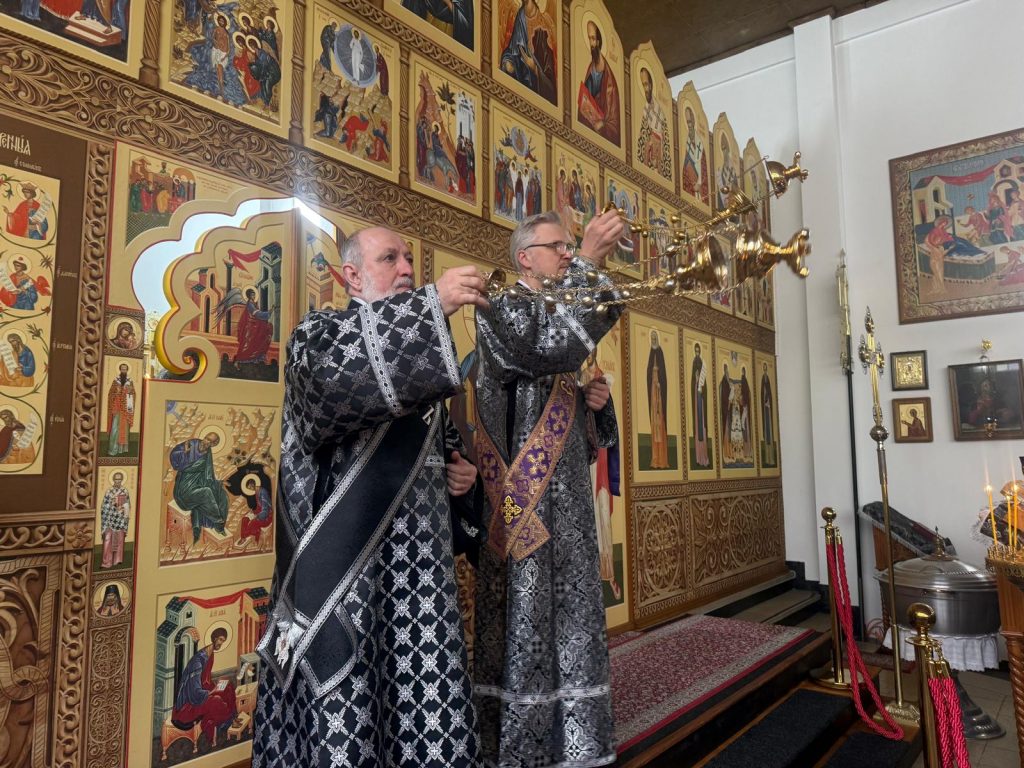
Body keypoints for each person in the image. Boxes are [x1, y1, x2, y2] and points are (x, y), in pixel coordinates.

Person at [252, 226, 488, 767]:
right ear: (352, 277)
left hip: (421, 579)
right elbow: (331, 394)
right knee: (351, 707)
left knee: (422, 706)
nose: (407, 268)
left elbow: (443, 447)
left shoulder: (423, 351)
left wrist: (462, 478)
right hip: (349, 574)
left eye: (409, 258)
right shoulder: (318, 337)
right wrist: (432, 305)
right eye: (390, 258)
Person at [473, 209, 625, 767]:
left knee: (573, 618)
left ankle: (578, 738)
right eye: (557, 246)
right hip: (524, 502)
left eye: (569, 247)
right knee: (528, 619)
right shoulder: (501, 305)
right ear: (524, 258)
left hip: (569, 503)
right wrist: (590, 261)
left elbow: (580, 432)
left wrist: (594, 407)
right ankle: (523, 745)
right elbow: (545, 350)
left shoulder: (559, 315)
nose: (566, 254)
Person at [172, 627, 237, 745]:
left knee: (228, 686)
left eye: (223, 641)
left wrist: (215, 688)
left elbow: (206, 681)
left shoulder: (209, 654)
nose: (221, 643)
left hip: (202, 694)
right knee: (216, 701)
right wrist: (213, 692)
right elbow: (195, 692)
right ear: (214, 638)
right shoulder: (197, 662)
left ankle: (231, 719)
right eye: (220, 639)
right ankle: (218, 726)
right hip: (188, 706)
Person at [169, 432, 229, 543]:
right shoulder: (192, 443)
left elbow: (208, 475)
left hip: (196, 485)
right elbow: (174, 458)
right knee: (206, 492)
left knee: (222, 495)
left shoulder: (207, 454)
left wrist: (219, 483)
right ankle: (219, 523)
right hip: (183, 490)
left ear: (213, 445)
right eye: (206, 438)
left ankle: (201, 528)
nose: (206, 442)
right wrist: (184, 453)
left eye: (210, 441)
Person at [576, 21, 620, 145]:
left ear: (599, 42)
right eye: (589, 39)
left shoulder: (609, 79)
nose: (591, 44)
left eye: (593, 39)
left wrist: (603, 125)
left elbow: (614, 122)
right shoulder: (591, 68)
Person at [100, 472, 131, 568]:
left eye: (120, 479)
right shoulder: (109, 491)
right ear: (113, 480)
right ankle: (106, 562)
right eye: (116, 479)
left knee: (120, 539)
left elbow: (128, 505)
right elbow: (104, 506)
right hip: (109, 519)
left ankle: (117, 560)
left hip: (120, 520)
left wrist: (124, 509)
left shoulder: (124, 491)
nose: (118, 481)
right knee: (108, 540)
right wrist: (111, 503)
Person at [106, 363, 135, 456]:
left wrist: (129, 391)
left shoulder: (130, 381)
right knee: (115, 428)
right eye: (122, 369)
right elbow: (110, 394)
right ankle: (113, 449)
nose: (124, 371)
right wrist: (116, 393)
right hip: (117, 407)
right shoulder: (116, 381)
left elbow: (133, 394)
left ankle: (121, 449)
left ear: (127, 370)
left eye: (125, 369)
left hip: (125, 409)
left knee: (124, 429)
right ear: (120, 370)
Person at [691, 342, 710, 468]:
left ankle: (704, 457)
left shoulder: (702, 364)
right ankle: (698, 458)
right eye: (696, 351)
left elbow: (705, 388)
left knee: (702, 425)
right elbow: (693, 381)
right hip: (696, 400)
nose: (697, 353)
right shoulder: (694, 362)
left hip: (701, 403)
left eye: (699, 351)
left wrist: (701, 386)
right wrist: (696, 380)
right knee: (698, 428)